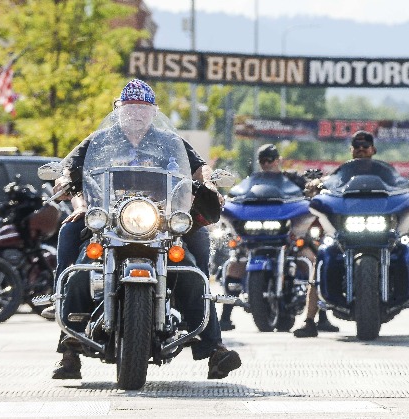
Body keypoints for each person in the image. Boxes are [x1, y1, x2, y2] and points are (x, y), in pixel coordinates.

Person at [51, 79, 241, 380]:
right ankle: (69, 345)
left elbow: (199, 167)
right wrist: (73, 195)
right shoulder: (101, 139)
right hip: (111, 217)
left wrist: (208, 182)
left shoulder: (168, 140)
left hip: (162, 218)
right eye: (130, 108)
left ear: (153, 111)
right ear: (119, 109)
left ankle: (213, 347)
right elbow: (69, 169)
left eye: (143, 108)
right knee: (76, 255)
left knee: (193, 266)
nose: (136, 114)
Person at [293, 130, 409, 337]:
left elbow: (400, 184)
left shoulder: (386, 174)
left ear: (373, 149)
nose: (361, 150)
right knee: (322, 257)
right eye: (357, 147)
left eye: (365, 146)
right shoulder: (341, 174)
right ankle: (309, 320)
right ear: (351, 150)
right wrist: (317, 184)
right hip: (346, 234)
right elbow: (328, 183)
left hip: (384, 232)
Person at [218, 143, 338, 333]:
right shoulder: (250, 183)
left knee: (313, 262)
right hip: (257, 235)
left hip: (288, 235)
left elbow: (309, 189)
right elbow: (234, 195)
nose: (267, 164)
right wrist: (226, 199)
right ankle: (225, 317)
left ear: (278, 160)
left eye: (271, 160)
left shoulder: (292, 180)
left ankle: (321, 317)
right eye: (263, 160)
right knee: (235, 262)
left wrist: (314, 185)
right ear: (259, 162)